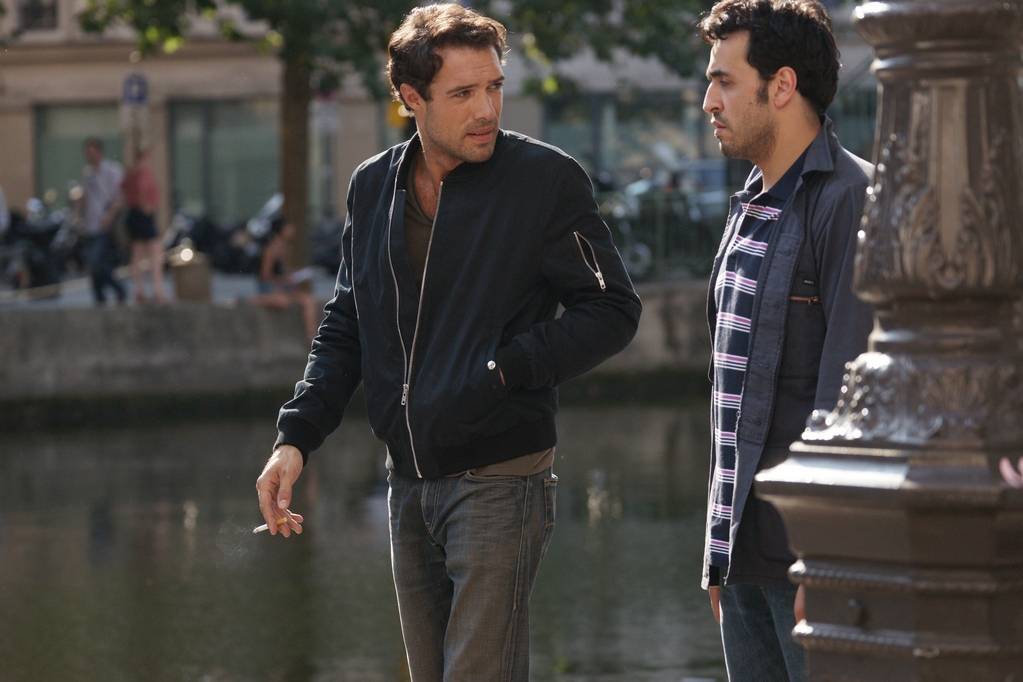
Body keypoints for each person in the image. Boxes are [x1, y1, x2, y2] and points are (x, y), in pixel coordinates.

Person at [255, 4, 642, 681]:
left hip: (501, 474)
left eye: (494, 86)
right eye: (463, 93)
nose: (486, 108)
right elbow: (348, 322)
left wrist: (506, 368)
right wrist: (296, 438)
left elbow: (612, 308)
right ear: (412, 98)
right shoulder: (372, 186)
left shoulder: (545, 181)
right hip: (406, 479)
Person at [697, 1, 873, 680]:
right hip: (740, 552)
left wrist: (825, 560)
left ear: (782, 86)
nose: (709, 102)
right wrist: (716, 548)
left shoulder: (850, 198)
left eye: (724, 81)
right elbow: (729, 392)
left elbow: (849, 398)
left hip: (807, 561)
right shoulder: (750, 203)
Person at [250, 216, 319, 341]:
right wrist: (283, 280)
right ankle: (257, 300)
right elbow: (265, 276)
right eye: (289, 227)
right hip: (269, 287)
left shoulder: (286, 247)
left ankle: (311, 335)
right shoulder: (270, 249)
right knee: (283, 302)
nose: (292, 229)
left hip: (282, 287)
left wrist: (297, 275)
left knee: (308, 300)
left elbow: (284, 270)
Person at [80, 137, 127, 306]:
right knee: (94, 264)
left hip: (104, 224)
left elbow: (120, 196)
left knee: (96, 260)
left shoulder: (112, 171)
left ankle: (119, 288)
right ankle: (99, 298)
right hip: (90, 224)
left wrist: (110, 215)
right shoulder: (88, 174)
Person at [120, 146, 167, 305]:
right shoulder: (143, 171)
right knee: (156, 252)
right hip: (142, 215)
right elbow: (142, 189)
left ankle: (140, 290)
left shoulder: (131, 172)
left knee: (137, 253)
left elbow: (124, 189)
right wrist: (146, 206)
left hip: (134, 214)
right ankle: (158, 291)